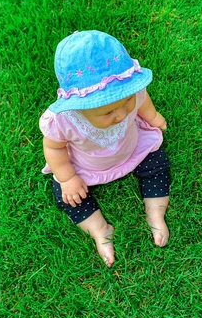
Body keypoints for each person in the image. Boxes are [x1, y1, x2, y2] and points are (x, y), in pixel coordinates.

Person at [39, 30, 170, 267]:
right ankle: (100, 229)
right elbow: (54, 148)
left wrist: (152, 116)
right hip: (86, 167)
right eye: (108, 112)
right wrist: (67, 178)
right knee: (65, 194)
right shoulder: (63, 120)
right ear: (78, 107)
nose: (121, 115)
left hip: (132, 148)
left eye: (126, 102)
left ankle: (156, 211)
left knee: (157, 161)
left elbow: (143, 100)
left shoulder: (131, 93)